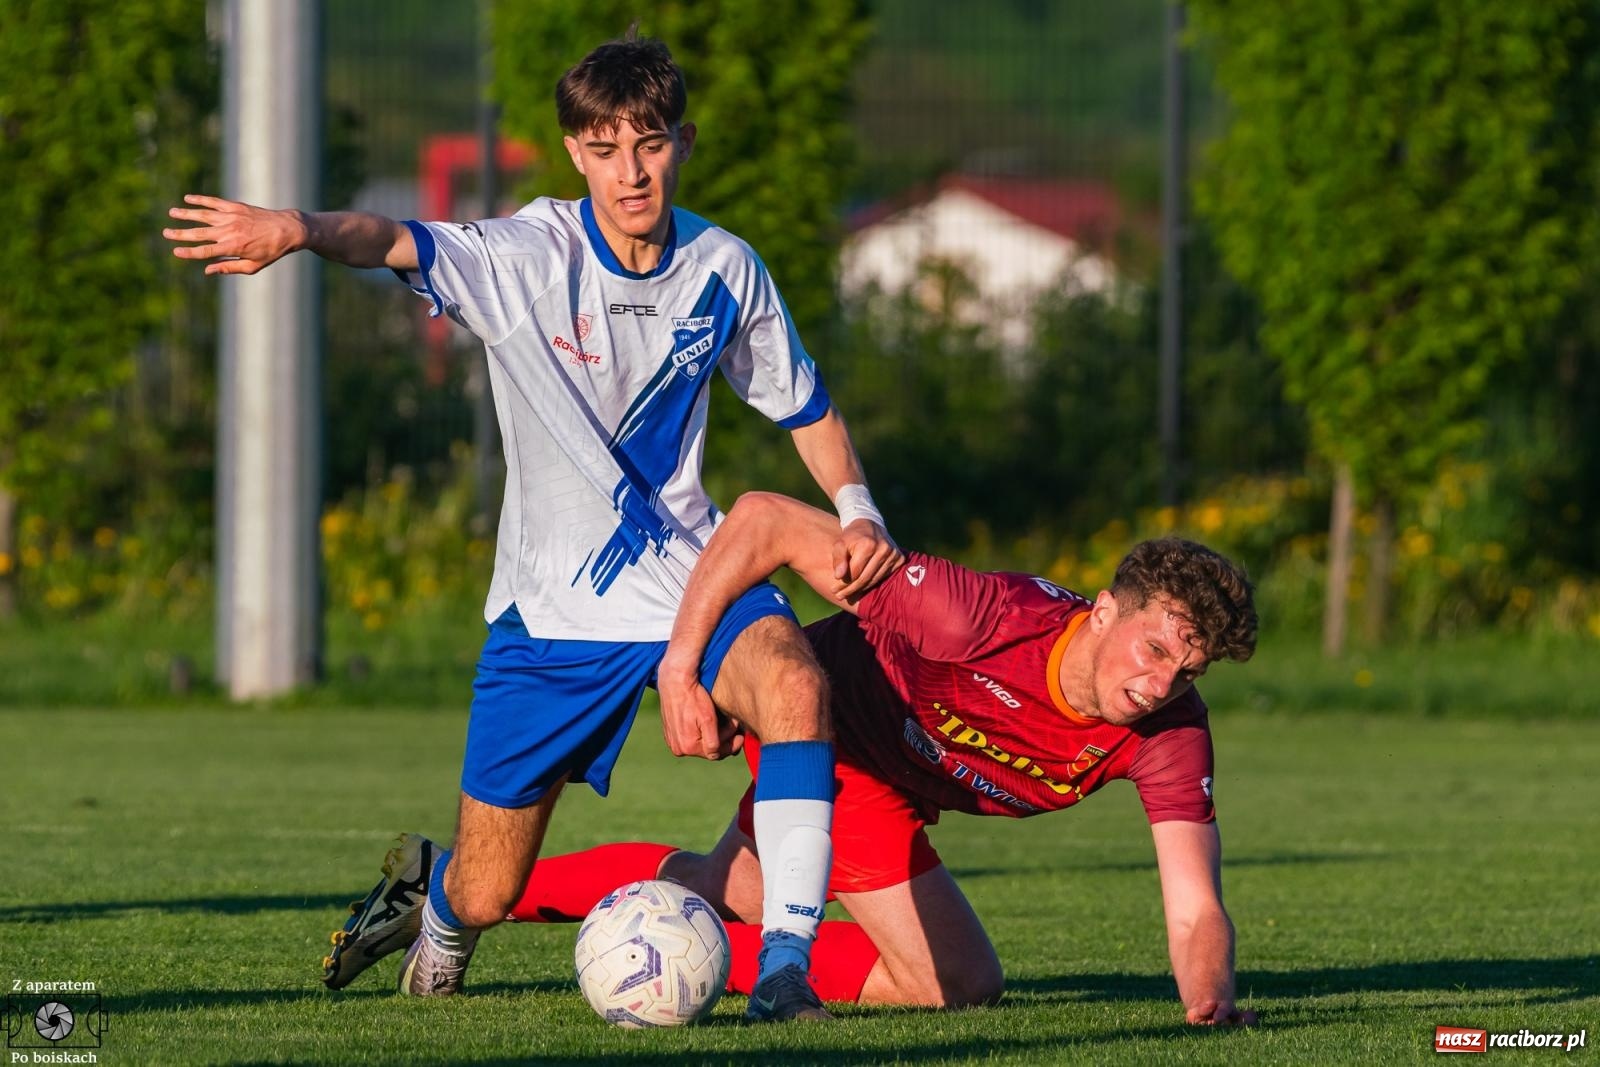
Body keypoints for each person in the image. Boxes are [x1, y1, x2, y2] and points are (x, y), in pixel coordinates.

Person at [163, 33, 900, 1021]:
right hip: (552, 612)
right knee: (490, 887)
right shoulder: (523, 258)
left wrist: (857, 509)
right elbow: (388, 238)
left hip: (690, 572)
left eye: (648, 144)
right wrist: (293, 227)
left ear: (682, 141)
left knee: (794, 681)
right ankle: (435, 908)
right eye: (604, 149)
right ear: (573, 154)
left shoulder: (726, 269)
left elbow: (805, 410)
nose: (630, 172)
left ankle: (783, 970)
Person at [327, 492, 1261, 1025]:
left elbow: (1193, 906)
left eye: (1188, 666)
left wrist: (1210, 1001)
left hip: (896, 787)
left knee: (710, 888)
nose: (1163, 681)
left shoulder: (1171, 732)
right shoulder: (973, 615)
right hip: (838, 753)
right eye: (1153, 647)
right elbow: (768, 519)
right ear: (1103, 609)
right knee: (957, 984)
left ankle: (447, 883)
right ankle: (735, 962)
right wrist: (689, 666)